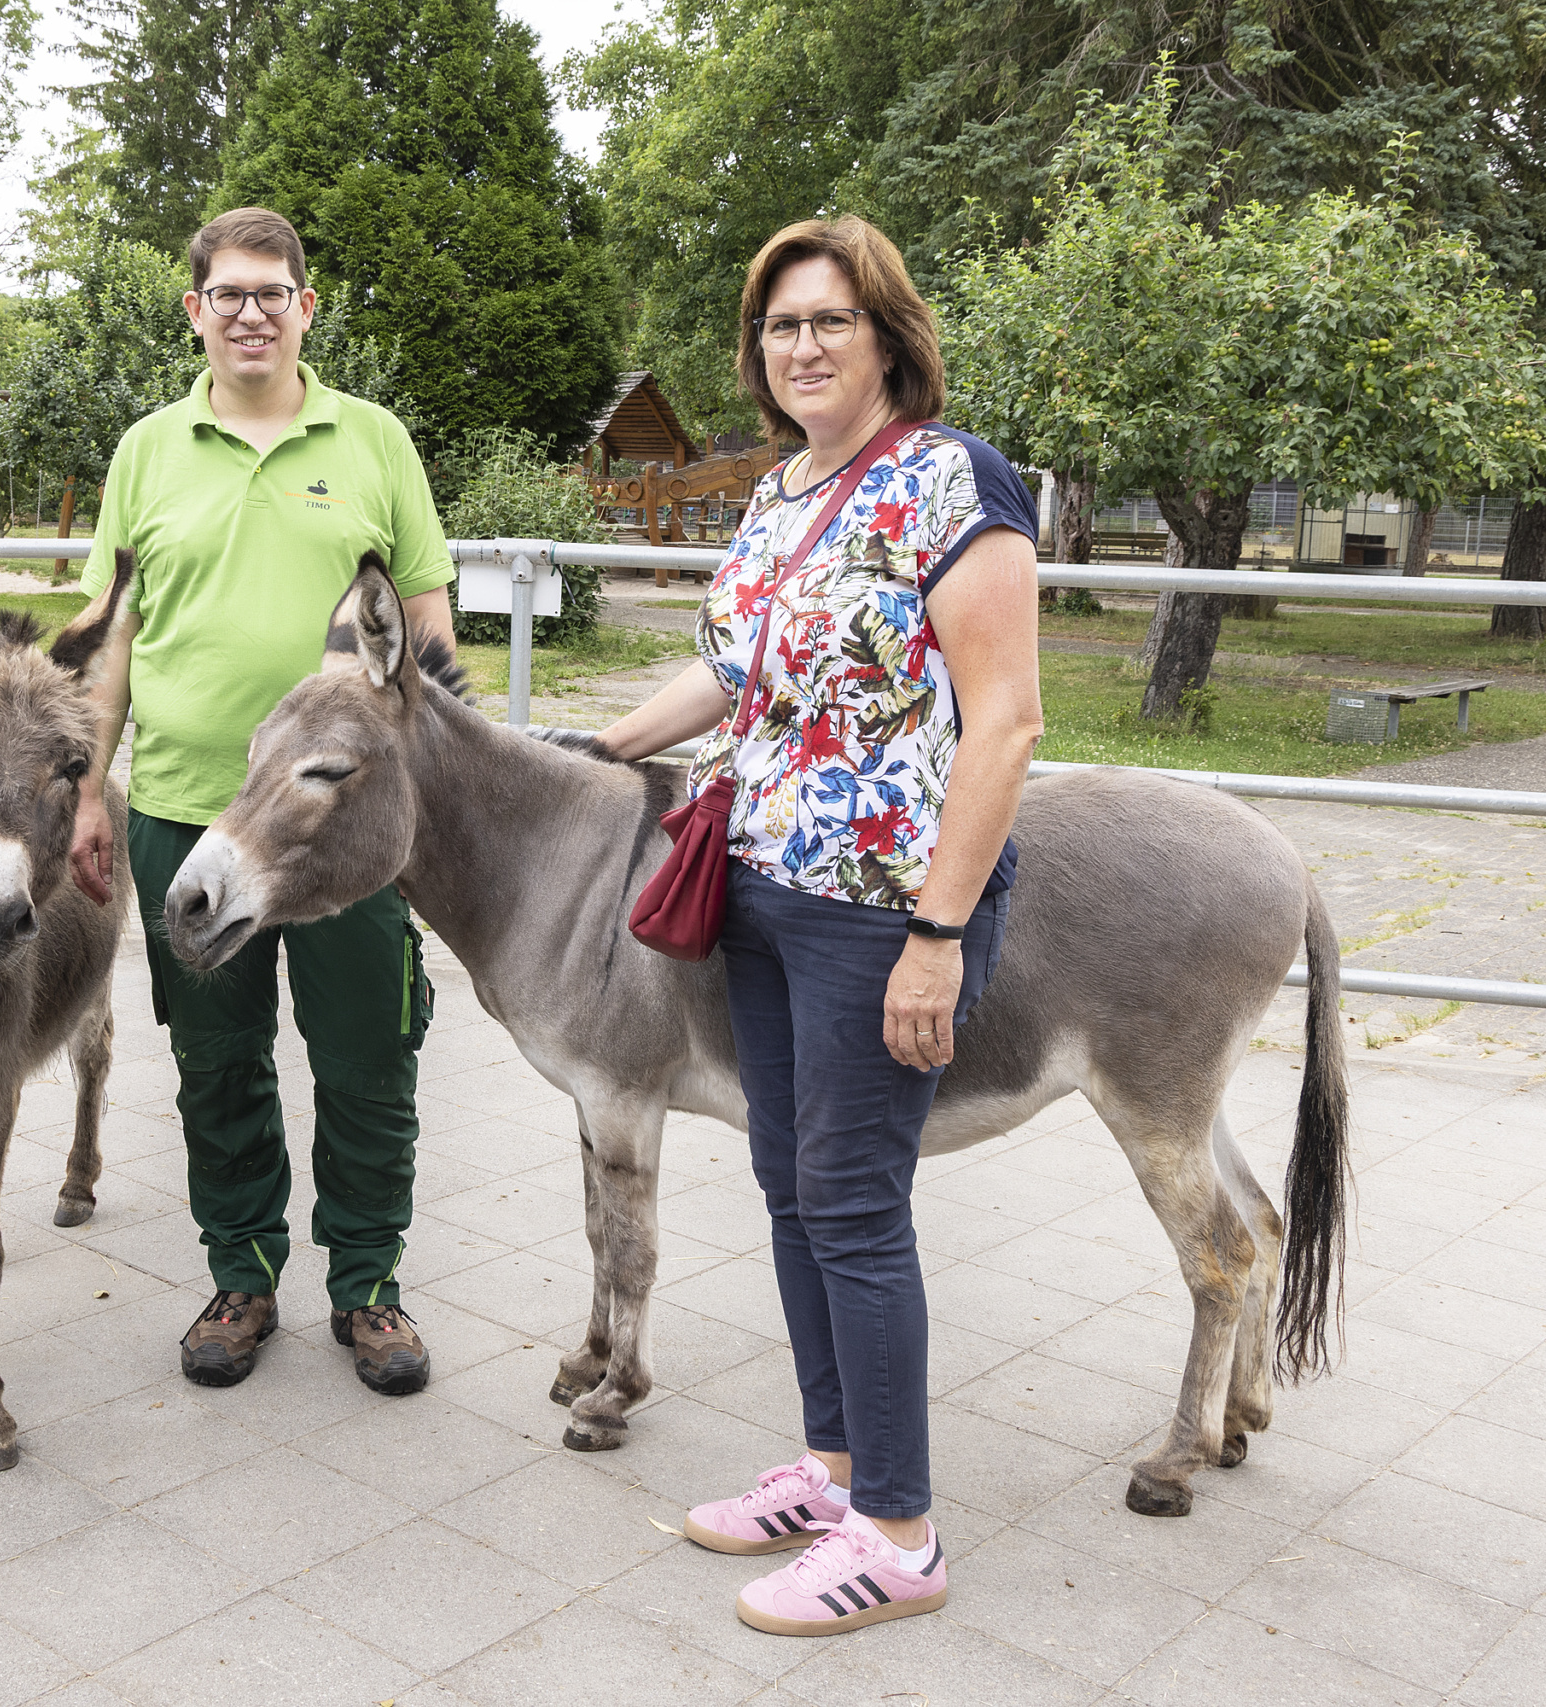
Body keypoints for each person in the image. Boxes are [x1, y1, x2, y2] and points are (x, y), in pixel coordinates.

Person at [594, 217, 1044, 1636]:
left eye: (830, 321)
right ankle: (837, 1465)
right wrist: (597, 745)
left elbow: (1010, 718)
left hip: (879, 909)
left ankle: (899, 1530)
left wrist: (938, 933)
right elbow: (731, 672)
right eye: (782, 326)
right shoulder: (784, 492)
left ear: (888, 333)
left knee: (854, 1204)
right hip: (766, 891)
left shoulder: (946, 479)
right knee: (793, 1189)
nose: (803, 346)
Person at [63, 206, 454, 1395]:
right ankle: (241, 1273)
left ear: (304, 307)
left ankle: (368, 1286)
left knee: (367, 1056)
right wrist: (90, 789)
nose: (247, 311)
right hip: (186, 812)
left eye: (268, 291)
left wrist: (431, 808)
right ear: (195, 312)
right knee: (219, 1062)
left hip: (349, 833)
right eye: (225, 293)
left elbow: (426, 631)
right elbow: (112, 639)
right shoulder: (146, 452)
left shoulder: (376, 440)